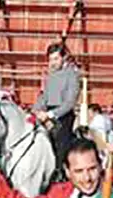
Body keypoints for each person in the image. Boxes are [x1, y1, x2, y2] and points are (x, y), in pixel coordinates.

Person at [33, 43, 80, 174]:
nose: (52, 63)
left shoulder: (72, 74)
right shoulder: (51, 75)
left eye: (55, 59)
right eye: (50, 59)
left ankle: (59, 172)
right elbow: (44, 96)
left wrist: (50, 114)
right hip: (46, 114)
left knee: (60, 146)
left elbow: (70, 102)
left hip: (62, 117)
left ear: (64, 58)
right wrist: (35, 110)